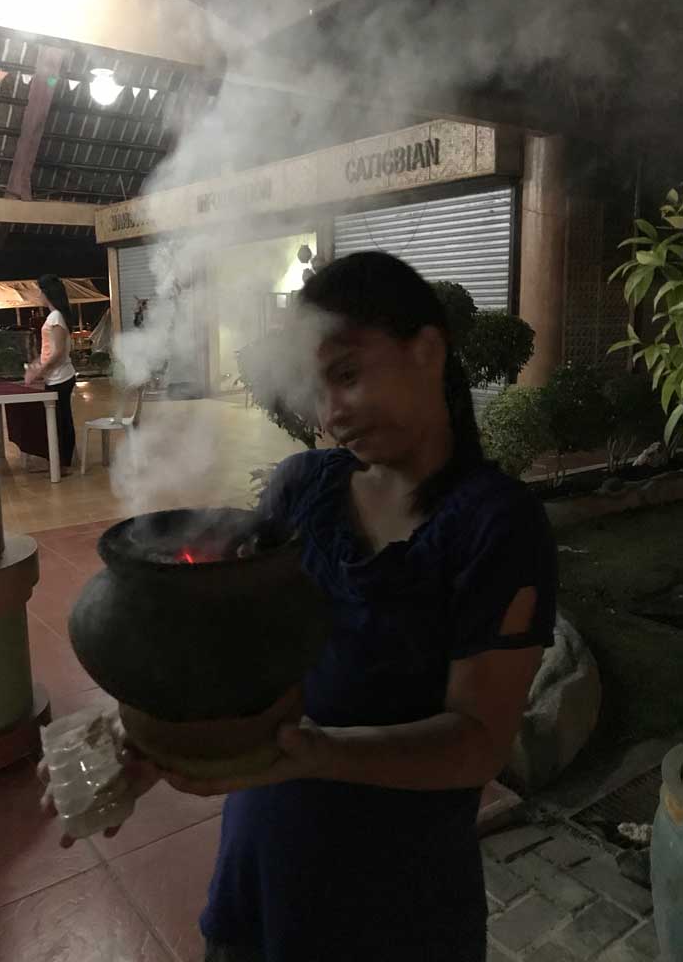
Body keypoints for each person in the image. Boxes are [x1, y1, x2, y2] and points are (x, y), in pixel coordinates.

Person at [41, 251, 557, 962]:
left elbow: (477, 742)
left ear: (428, 350)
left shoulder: (496, 526)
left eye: (347, 375)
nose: (329, 413)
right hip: (264, 860)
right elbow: (235, 659)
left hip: (398, 899)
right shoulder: (302, 489)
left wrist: (312, 755)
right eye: (316, 389)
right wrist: (152, 742)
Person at [25, 274, 77, 474]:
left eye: (40, 290)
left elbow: (57, 352)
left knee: (60, 421)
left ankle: (61, 464)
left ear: (47, 293)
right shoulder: (56, 316)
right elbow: (50, 351)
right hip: (56, 376)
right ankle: (57, 461)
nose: (38, 294)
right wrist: (36, 366)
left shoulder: (56, 317)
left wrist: (38, 370)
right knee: (59, 419)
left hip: (60, 377)